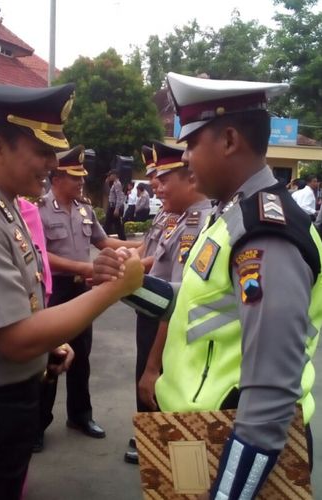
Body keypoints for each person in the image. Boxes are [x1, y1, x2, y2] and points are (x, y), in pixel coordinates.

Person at [95, 72, 322, 498]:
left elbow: (271, 397)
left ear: (229, 140)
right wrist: (131, 285)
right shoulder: (231, 216)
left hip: (236, 445)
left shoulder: (265, 235)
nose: (185, 161)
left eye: (191, 145)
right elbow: (195, 305)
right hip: (202, 429)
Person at [0, 77, 144, 500]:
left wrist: (46, 349)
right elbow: (16, 340)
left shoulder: (4, 204)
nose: (52, 164)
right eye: (41, 151)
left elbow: (15, 308)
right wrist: (112, 289)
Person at [36, 145, 142, 451]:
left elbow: (103, 240)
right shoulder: (38, 209)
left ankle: (80, 415)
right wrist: (85, 266)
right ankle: (38, 423)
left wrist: (143, 245)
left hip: (82, 289)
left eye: (82, 176)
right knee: (51, 359)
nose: (81, 182)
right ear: (56, 178)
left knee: (81, 356)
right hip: (55, 291)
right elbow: (43, 256)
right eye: (74, 177)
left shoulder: (84, 209)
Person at [125, 140, 212, 465]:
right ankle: (153, 449)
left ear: (189, 177)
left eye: (163, 178)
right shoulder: (177, 216)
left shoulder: (197, 224)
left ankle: (162, 458)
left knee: (157, 391)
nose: (156, 187)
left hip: (165, 324)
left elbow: (175, 302)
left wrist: (152, 367)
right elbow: (154, 257)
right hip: (151, 314)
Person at [104, 169, 126, 239]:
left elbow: (119, 197)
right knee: (117, 225)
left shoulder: (117, 184)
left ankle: (103, 238)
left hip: (114, 207)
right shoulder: (114, 183)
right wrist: (106, 183)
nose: (109, 176)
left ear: (114, 175)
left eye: (110, 175)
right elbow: (109, 194)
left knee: (107, 224)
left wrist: (116, 209)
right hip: (112, 206)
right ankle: (123, 239)